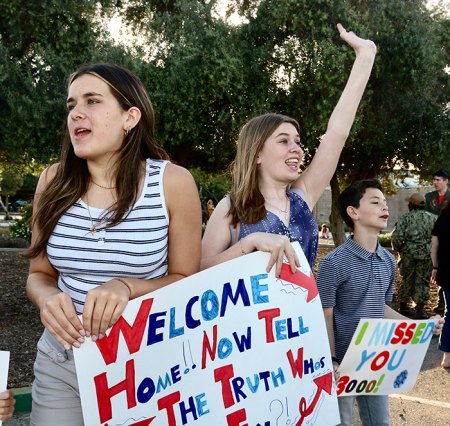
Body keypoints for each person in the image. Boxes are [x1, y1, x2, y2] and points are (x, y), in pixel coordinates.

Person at [25, 63, 202, 425]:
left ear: (130, 117)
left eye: (92, 101)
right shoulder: (51, 181)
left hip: (144, 365)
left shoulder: (173, 182)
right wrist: (47, 298)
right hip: (62, 360)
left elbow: (186, 277)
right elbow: (38, 273)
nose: (76, 113)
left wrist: (127, 286)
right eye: (71, 104)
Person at [201, 23, 377, 275]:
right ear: (257, 153)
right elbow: (197, 271)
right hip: (253, 314)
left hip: (301, 313)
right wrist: (248, 244)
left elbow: (337, 133)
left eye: (298, 141)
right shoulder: (232, 207)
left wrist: (365, 58)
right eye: (283, 141)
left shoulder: (304, 195)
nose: (296, 149)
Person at [316, 179, 443, 426]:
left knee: (380, 422)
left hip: (375, 360)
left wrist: (421, 327)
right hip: (341, 364)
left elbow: (381, 308)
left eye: (385, 202)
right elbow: (326, 314)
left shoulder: (387, 260)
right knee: (341, 422)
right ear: (353, 212)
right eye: (375, 202)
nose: (384, 207)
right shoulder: (334, 263)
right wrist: (331, 359)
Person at [391, 192, 436, 319]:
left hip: (408, 254)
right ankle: (420, 310)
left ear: (411, 205)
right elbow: (437, 238)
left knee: (407, 279)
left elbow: (397, 238)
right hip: (427, 255)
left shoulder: (405, 218)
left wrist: (400, 250)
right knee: (423, 281)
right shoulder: (432, 218)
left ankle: (404, 307)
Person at [425, 168, 450, 315]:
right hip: (431, 237)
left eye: (438, 179)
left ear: (446, 181)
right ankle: (423, 303)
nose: (435, 183)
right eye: (434, 179)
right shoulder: (429, 197)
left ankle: (442, 303)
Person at [431, 201, 450, 368]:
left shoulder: (442, 219)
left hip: (447, 272)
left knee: (449, 312)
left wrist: (435, 267)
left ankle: (447, 357)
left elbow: (434, 245)